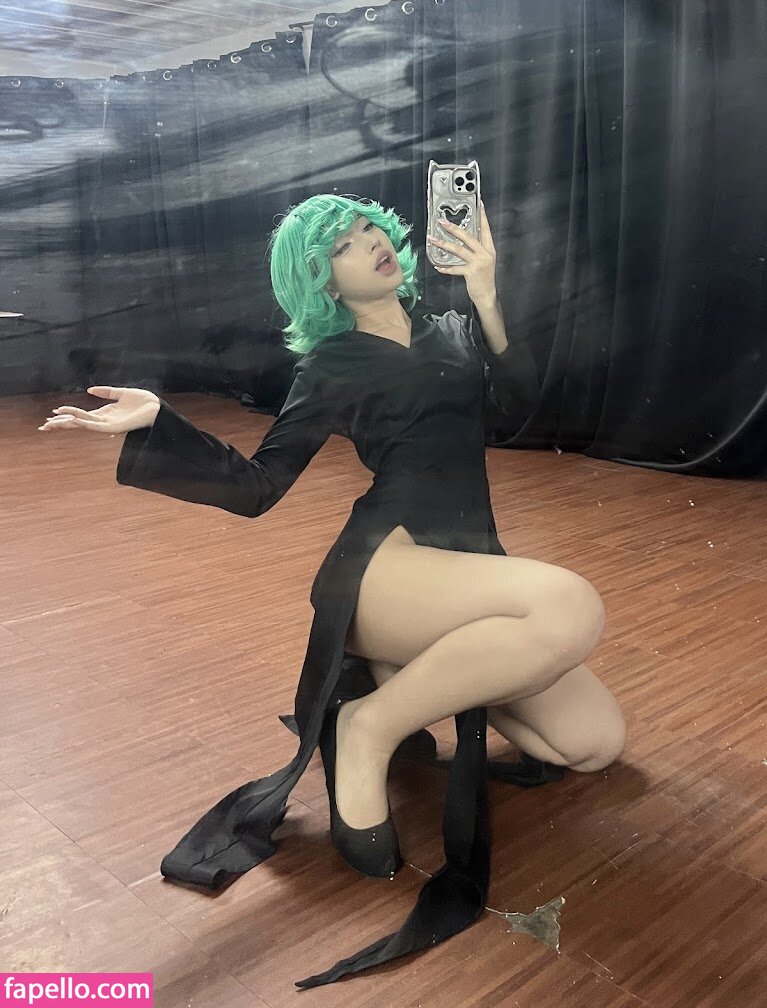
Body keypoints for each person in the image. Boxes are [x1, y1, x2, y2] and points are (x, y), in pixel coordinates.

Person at [38, 194, 626, 988]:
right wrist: (158, 423)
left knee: (591, 746)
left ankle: (403, 683)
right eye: (342, 245)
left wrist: (485, 294)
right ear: (320, 280)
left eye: (368, 228)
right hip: (385, 568)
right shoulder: (331, 362)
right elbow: (259, 485)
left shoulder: (449, 328)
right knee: (569, 604)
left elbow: (520, 411)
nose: (369, 242)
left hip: (466, 567)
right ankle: (369, 726)